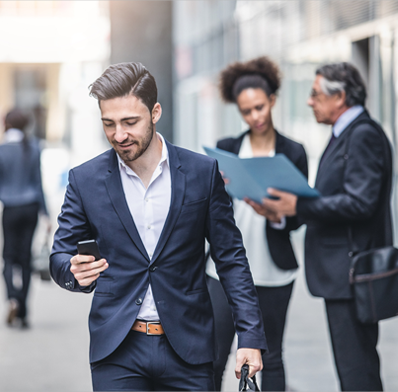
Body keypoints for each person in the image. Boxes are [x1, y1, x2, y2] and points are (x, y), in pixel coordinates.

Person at [50, 62, 267, 391]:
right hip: (117, 350)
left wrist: (249, 336)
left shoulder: (201, 173)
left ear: (155, 112)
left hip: (188, 347)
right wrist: (71, 270)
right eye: (109, 124)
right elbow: (59, 255)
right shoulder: (85, 180)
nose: (119, 135)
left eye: (129, 122)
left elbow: (231, 259)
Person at [261, 62, 393, 391]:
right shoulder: (346, 133)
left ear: (341, 97)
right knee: (356, 367)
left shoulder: (362, 135)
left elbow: (361, 202)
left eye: (315, 94)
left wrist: (300, 205)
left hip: (350, 273)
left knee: (356, 370)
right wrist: (285, 211)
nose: (309, 101)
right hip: (343, 272)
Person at [207, 57, 308, 391]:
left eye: (260, 107)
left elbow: (299, 216)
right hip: (223, 270)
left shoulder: (293, 152)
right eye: (247, 111)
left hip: (273, 269)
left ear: (273, 101)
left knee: (272, 355)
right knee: (216, 354)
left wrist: (278, 216)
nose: (255, 117)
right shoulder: (226, 149)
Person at [0, 109, 48, 328]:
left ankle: (12, 297)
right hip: (30, 208)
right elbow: (39, 183)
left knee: (8, 258)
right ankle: (23, 310)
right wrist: (46, 214)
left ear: (6, 124)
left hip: (9, 208)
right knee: (26, 259)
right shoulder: (34, 147)